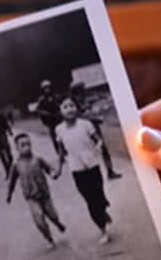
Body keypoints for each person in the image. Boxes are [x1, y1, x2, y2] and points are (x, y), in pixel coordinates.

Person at [55, 96, 113, 244]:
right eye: (65, 106)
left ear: (76, 108)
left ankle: (102, 212)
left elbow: (98, 139)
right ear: (61, 111)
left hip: (92, 165)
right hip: (77, 170)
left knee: (98, 195)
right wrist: (59, 168)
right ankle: (103, 228)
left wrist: (98, 148)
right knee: (90, 200)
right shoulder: (59, 130)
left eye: (72, 105)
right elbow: (61, 151)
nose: (69, 109)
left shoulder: (85, 124)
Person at [7, 133, 67, 250]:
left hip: (44, 194)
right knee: (39, 219)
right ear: (17, 148)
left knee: (52, 215)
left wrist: (55, 173)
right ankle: (49, 239)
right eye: (23, 145)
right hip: (31, 197)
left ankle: (57, 223)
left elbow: (50, 170)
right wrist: (9, 194)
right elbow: (11, 181)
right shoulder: (16, 165)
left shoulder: (38, 159)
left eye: (29, 144)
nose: (27, 147)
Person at [69, 81, 122, 180]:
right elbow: (80, 117)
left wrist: (95, 116)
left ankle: (110, 171)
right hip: (84, 130)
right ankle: (91, 175)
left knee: (103, 148)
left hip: (94, 128)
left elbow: (89, 111)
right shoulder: (73, 104)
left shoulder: (83, 99)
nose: (83, 90)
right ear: (76, 90)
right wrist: (95, 118)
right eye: (81, 88)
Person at [33, 80, 63, 157]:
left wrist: (60, 111)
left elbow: (61, 104)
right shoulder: (41, 100)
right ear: (43, 89)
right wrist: (45, 114)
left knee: (63, 134)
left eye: (48, 87)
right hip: (51, 121)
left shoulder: (56, 96)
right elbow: (38, 110)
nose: (47, 89)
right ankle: (59, 152)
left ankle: (66, 149)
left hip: (59, 118)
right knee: (55, 137)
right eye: (45, 88)